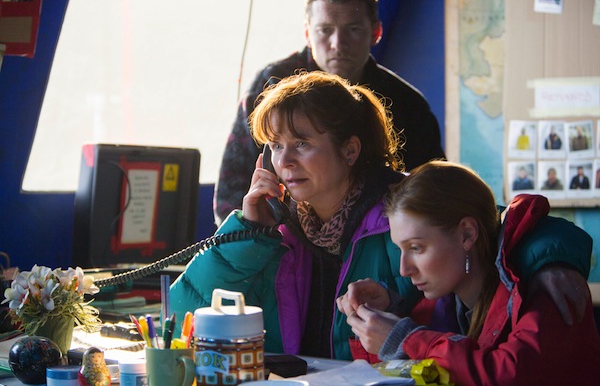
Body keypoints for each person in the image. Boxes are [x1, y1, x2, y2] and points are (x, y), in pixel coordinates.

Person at [171, 72, 590, 361]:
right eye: (277, 146)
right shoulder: (270, 230)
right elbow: (181, 316)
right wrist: (247, 233)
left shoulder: (404, 206)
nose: (285, 161)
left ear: (350, 151)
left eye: (302, 143)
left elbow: (490, 225)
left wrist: (549, 261)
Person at [337, 161, 599, 384]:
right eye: (400, 249)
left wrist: (406, 339)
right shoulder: (443, 300)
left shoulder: (547, 291)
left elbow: (510, 376)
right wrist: (384, 317)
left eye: (416, 247)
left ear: (467, 234)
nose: (404, 269)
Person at [213, 0, 445, 225]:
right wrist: (252, 232)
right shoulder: (272, 86)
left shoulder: (407, 104)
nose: (338, 43)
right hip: (282, 237)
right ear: (307, 33)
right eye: (325, 30)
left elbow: (435, 196)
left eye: (353, 29)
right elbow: (231, 195)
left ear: (376, 32)